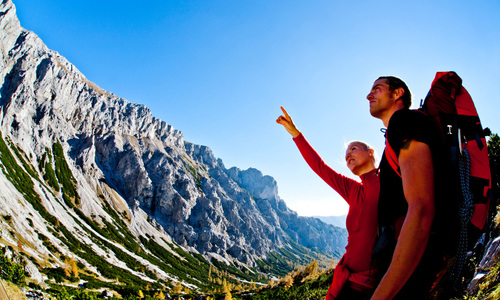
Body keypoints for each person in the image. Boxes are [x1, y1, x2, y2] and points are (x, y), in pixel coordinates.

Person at [276, 106, 380, 300]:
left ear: (371, 152)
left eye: (354, 149)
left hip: (370, 286)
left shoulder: (391, 181)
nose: (348, 155)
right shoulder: (353, 189)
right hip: (345, 281)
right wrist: (295, 134)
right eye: (346, 154)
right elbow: (320, 167)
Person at [367, 76, 449, 300]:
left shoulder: (404, 121)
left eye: (377, 89)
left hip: (409, 272)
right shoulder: (399, 130)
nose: (369, 95)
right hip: (408, 267)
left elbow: (421, 208)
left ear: (397, 93)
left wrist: (382, 295)